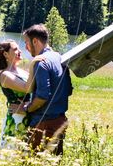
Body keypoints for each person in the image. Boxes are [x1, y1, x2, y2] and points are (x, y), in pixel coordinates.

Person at [13, 24, 73, 155]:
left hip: (43, 124)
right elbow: (68, 89)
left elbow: (42, 97)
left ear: (35, 41)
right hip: (59, 121)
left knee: (32, 164)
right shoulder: (58, 57)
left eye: (26, 42)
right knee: (53, 165)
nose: (26, 48)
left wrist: (26, 108)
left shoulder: (41, 62)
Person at [0, 40, 43, 149]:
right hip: (16, 119)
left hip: (28, 114)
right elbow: (28, 88)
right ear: (5, 54)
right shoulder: (5, 75)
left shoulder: (22, 72)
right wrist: (32, 65)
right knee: (13, 152)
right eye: (15, 49)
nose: (20, 51)